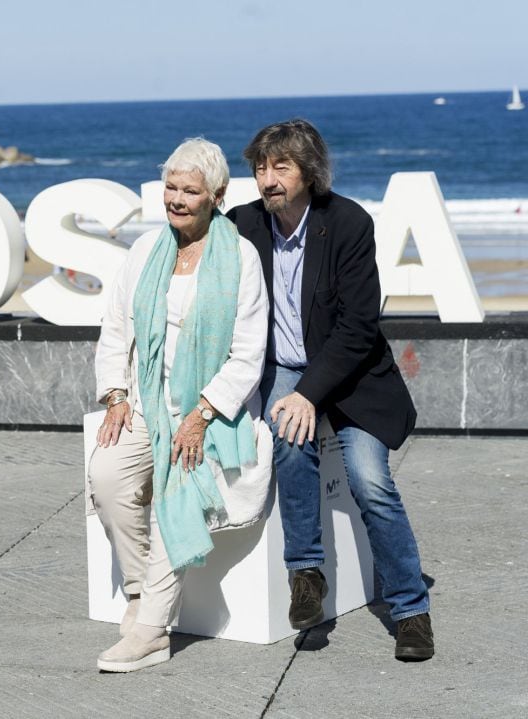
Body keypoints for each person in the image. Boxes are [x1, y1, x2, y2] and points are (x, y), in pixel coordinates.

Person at [227, 119, 434, 661]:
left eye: (281, 167)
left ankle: (410, 609)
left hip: (353, 374)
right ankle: (306, 575)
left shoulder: (346, 223)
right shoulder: (243, 224)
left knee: (370, 481)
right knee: (290, 443)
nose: (267, 179)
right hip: (284, 369)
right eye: (260, 167)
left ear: (309, 172)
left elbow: (358, 327)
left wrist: (307, 394)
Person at [90, 138, 272, 672]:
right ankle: (140, 593)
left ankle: (150, 633)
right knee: (107, 475)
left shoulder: (239, 257)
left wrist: (203, 412)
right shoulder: (146, 251)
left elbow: (247, 352)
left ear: (216, 196)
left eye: (189, 190)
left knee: (180, 495)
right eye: (170, 186)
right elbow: (116, 326)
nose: (176, 198)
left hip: (209, 410)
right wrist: (117, 393)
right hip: (146, 398)